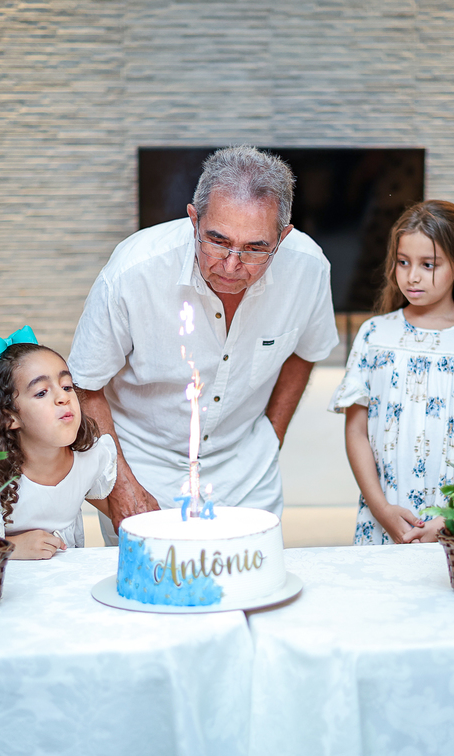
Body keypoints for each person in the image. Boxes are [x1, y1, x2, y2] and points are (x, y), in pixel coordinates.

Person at [69, 146, 338, 543]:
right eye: (217, 241)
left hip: (246, 472)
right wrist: (119, 481)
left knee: (254, 579)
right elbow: (85, 384)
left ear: (283, 237)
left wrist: (271, 435)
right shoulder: (132, 272)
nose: (231, 265)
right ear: (194, 219)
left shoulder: (309, 268)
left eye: (255, 248)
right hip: (143, 467)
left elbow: (306, 351)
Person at [330, 200, 454, 545]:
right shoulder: (374, 335)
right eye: (403, 262)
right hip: (382, 523)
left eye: (428, 264)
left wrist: (449, 519)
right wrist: (381, 508)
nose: (412, 276)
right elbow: (356, 432)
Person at [0, 327, 117, 559]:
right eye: (41, 392)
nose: (63, 397)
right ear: (8, 417)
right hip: (4, 579)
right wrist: (10, 547)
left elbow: (126, 516)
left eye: (67, 386)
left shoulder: (90, 459)